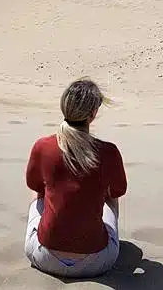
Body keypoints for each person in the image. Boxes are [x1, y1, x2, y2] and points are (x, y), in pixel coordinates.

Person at [24, 77, 127, 278]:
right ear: (93, 114)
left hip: (44, 257)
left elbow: (34, 184)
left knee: (39, 192)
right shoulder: (108, 152)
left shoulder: (43, 146)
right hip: (98, 262)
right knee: (110, 197)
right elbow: (118, 191)